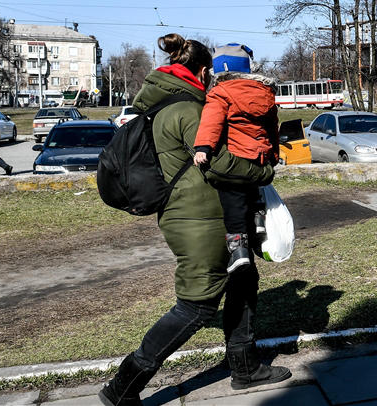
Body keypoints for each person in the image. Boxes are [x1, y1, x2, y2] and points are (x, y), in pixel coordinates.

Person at [98, 34, 290, 406]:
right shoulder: (188, 109)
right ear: (203, 71)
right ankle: (122, 387)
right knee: (196, 305)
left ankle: (246, 367)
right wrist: (263, 174)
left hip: (205, 214)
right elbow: (218, 163)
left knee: (242, 279)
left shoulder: (168, 103)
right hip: (199, 219)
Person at [193, 43, 278, 274]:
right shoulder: (265, 93)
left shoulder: (220, 93)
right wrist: (274, 154)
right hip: (259, 158)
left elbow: (212, 122)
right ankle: (258, 221)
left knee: (232, 199)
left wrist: (203, 148)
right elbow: (272, 129)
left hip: (237, 155)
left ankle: (238, 250)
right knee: (253, 190)